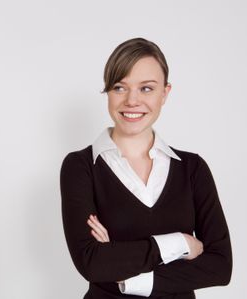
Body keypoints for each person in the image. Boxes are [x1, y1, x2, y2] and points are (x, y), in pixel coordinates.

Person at [59, 37, 232, 299]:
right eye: (120, 87)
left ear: (165, 93)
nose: (132, 101)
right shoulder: (80, 167)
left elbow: (219, 267)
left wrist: (126, 274)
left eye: (147, 88)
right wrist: (181, 243)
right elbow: (92, 263)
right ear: (107, 91)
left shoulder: (192, 169)